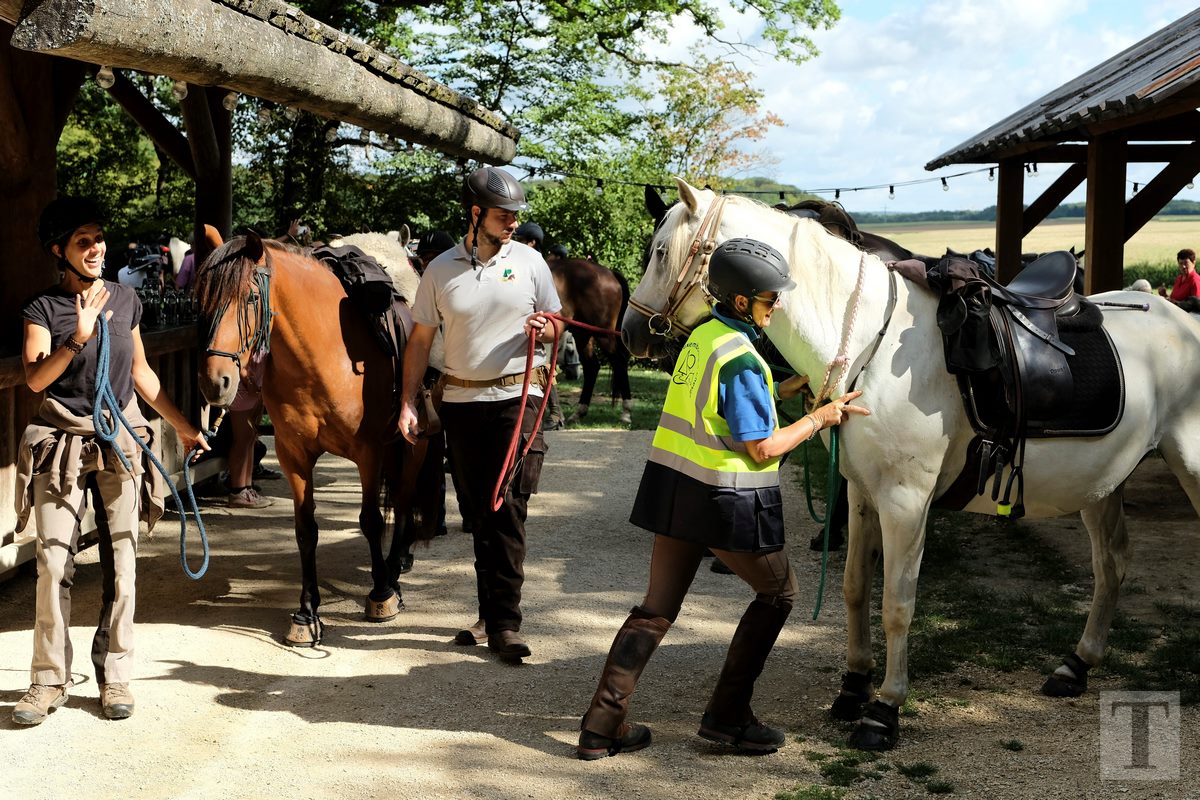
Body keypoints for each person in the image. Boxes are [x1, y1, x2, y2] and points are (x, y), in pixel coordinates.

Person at [576, 238, 868, 760]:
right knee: (779, 594)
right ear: (741, 302)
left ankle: (602, 723)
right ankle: (728, 717)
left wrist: (778, 391)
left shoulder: (705, 337)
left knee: (655, 608)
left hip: (676, 491)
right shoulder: (741, 359)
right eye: (767, 298)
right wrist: (817, 418)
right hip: (723, 499)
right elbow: (760, 448)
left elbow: (715, 406)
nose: (775, 305)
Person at [13, 196, 208, 725]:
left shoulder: (126, 300)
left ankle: (115, 676)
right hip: (63, 444)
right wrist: (76, 339)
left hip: (120, 440)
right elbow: (34, 379)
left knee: (123, 564)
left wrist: (183, 424)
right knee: (53, 562)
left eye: (98, 238)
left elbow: (142, 375)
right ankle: (48, 680)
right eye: (83, 240)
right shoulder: (43, 309)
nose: (96, 247)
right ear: (60, 251)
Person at [398, 166, 564, 660]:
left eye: (516, 215)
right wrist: (408, 400)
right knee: (477, 513)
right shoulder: (439, 271)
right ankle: (490, 611)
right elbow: (420, 340)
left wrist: (546, 326)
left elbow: (558, 326)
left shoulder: (531, 263)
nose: (513, 222)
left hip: (518, 398)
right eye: (503, 215)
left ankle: (506, 624)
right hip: (461, 403)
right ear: (475, 213)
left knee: (508, 506)